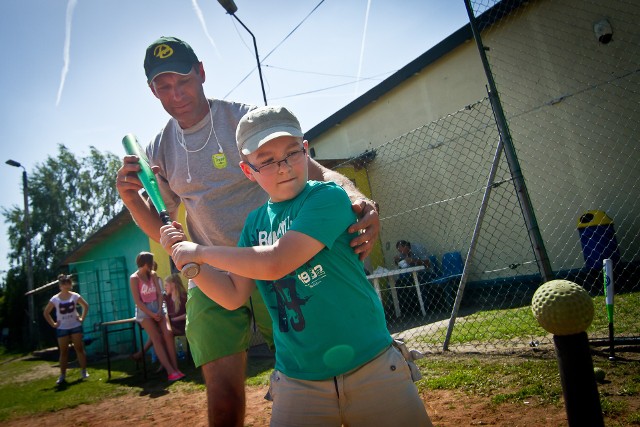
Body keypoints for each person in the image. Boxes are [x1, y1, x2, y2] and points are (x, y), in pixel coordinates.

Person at [116, 36, 380, 426]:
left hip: (281, 264)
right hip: (213, 272)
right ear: (152, 91)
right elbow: (165, 225)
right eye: (164, 86)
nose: (177, 94)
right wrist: (132, 200)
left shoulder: (245, 121)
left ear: (201, 72)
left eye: (184, 80)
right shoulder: (158, 148)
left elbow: (313, 169)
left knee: (321, 372)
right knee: (222, 402)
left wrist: (357, 195)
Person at [160, 105, 432, 426]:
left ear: (306, 150)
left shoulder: (327, 198)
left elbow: (276, 261)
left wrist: (201, 252)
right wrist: (186, 260)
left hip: (370, 366)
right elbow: (233, 294)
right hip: (298, 381)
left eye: (292, 153)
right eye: (267, 160)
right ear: (248, 171)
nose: (284, 167)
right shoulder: (254, 224)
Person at [130, 251, 185, 381]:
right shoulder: (134, 278)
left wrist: (160, 310)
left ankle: (176, 369)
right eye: (150, 262)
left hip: (159, 308)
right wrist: (152, 314)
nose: (152, 265)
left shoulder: (153, 275)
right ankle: (170, 371)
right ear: (144, 264)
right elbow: (138, 301)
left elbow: (160, 294)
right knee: (156, 337)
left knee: (168, 333)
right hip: (144, 311)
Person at [43, 274, 90, 385]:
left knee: (79, 348)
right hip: (62, 327)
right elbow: (46, 312)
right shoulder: (55, 299)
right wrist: (53, 324)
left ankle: (84, 371)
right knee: (63, 351)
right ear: (60, 285)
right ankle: (62, 375)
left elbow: (85, 306)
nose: (66, 285)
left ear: (70, 284)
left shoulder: (75, 296)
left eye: (68, 283)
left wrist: (82, 318)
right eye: (64, 283)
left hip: (75, 325)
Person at [131, 273, 187, 362]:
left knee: (160, 333)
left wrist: (173, 319)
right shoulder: (166, 298)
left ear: (173, 285)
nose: (165, 287)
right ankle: (164, 363)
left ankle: (142, 353)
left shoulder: (184, 297)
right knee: (158, 333)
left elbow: (188, 315)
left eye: (166, 285)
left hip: (180, 326)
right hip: (169, 326)